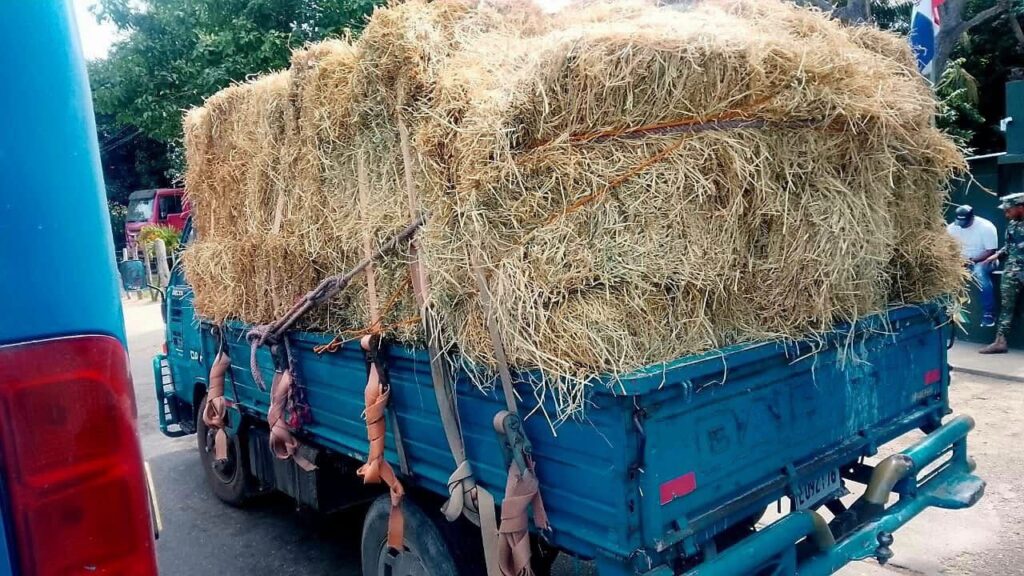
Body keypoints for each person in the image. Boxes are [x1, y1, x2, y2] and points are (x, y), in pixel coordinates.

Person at [979, 193, 1024, 354]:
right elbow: (1010, 246)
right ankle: (1000, 341)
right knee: (1006, 307)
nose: (1006, 214)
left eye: (1008, 210)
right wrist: (997, 255)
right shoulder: (1012, 225)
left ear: (1020, 208)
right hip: (1013, 272)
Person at [947, 204, 999, 326]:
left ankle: (989, 313)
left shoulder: (986, 227)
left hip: (985, 260)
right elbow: (948, 248)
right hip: (961, 261)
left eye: (964, 222)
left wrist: (970, 261)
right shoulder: (952, 228)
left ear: (972, 218)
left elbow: (991, 251)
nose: (962, 225)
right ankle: (953, 311)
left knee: (979, 271)